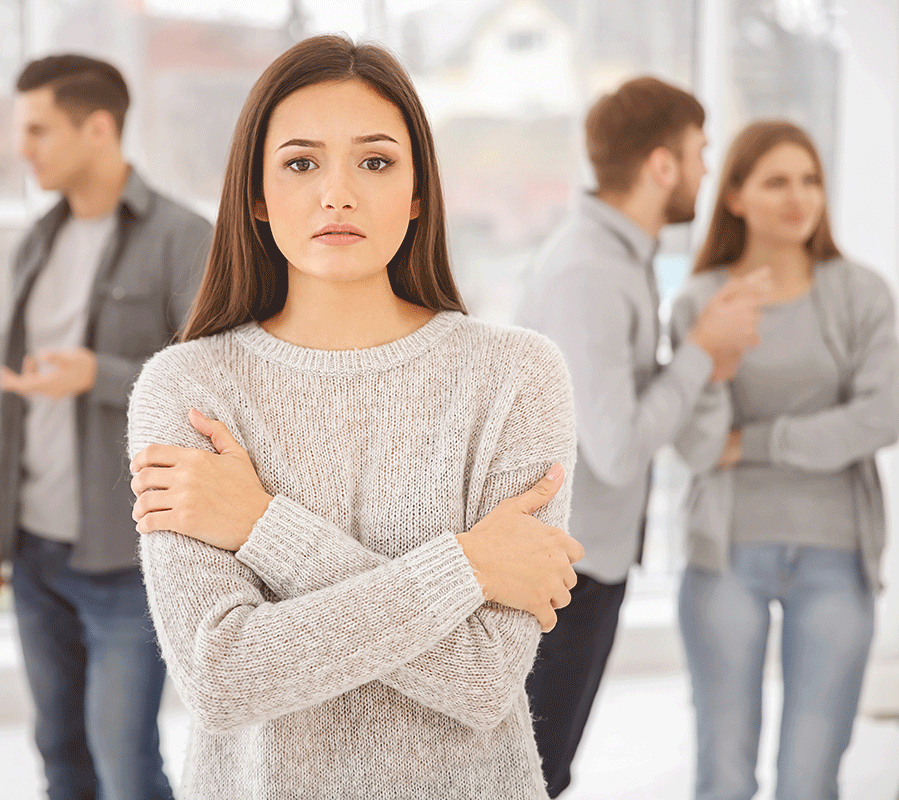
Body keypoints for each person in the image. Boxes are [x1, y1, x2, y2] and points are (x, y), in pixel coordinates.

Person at [125, 35, 585, 800]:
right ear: (257, 196)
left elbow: (481, 680)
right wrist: (466, 565)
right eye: (301, 163)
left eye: (374, 161)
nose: (337, 193)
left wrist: (263, 526)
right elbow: (223, 677)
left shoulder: (517, 376)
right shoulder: (188, 387)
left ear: (416, 193)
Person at [515, 77, 770, 796]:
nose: (705, 172)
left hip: (588, 561)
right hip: (566, 570)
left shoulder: (619, 255)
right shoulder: (590, 270)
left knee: (546, 768)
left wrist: (695, 353)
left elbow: (612, 402)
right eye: (700, 153)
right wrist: (699, 351)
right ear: (663, 165)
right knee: (534, 775)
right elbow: (617, 448)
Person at [0, 55, 210, 800]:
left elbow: (211, 389)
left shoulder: (183, 237)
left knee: (124, 762)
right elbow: (13, 401)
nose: (23, 148)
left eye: (38, 129)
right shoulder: (36, 242)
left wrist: (98, 375)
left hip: (123, 558)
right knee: (58, 751)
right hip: (35, 551)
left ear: (98, 128)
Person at [671, 120, 899, 800]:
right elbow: (699, 445)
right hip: (726, 557)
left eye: (810, 180)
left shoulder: (861, 294)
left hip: (837, 558)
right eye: (777, 181)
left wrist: (761, 442)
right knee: (724, 774)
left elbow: (880, 418)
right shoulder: (700, 301)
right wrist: (717, 367)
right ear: (736, 196)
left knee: (810, 779)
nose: (799, 197)